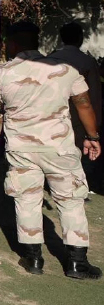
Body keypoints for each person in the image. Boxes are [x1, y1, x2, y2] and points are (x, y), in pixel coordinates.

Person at [0, 21, 101, 279]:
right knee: (70, 200)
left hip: (22, 149)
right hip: (59, 148)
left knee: (27, 199)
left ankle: (33, 259)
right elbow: (84, 104)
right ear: (36, 41)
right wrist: (92, 137)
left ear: (12, 44)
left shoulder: (2, 74)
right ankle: (77, 263)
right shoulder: (66, 70)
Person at [49, 22, 103, 193]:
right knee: (77, 153)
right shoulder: (86, 61)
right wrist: (95, 129)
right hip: (78, 117)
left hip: (53, 114)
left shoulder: (50, 59)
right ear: (80, 38)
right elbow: (93, 96)